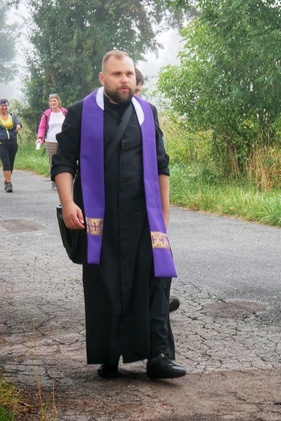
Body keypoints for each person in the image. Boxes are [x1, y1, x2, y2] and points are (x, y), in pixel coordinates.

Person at [52, 50, 186, 379]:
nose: (123, 80)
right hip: (99, 217)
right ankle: (109, 354)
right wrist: (69, 203)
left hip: (144, 216)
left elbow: (162, 165)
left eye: (128, 74)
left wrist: (163, 217)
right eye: (116, 74)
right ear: (102, 78)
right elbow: (64, 162)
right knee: (105, 284)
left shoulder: (146, 112)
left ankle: (159, 356)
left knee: (156, 279)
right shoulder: (83, 112)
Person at [134, 66, 180, 314]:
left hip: (149, 197)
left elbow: (163, 160)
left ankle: (162, 301)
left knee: (162, 253)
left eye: (139, 90)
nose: (136, 95)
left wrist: (165, 209)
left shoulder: (148, 113)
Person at [36, 94, 68, 190]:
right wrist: (40, 137)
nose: (53, 103)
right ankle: (54, 181)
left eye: (54, 100)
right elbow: (42, 127)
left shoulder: (65, 112)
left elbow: (69, 125)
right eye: (51, 101)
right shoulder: (46, 114)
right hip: (51, 141)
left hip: (63, 141)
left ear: (59, 101)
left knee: (63, 161)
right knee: (53, 162)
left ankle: (63, 181)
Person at [0, 98, 22, 193]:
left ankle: (6, 180)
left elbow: (18, 122)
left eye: (5, 106)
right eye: (2, 106)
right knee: (6, 163)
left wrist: (18, 126)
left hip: (13, 143)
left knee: (11, 164)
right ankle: (9, 184)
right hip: (2, 143)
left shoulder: (12, 115)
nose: (4, 107)